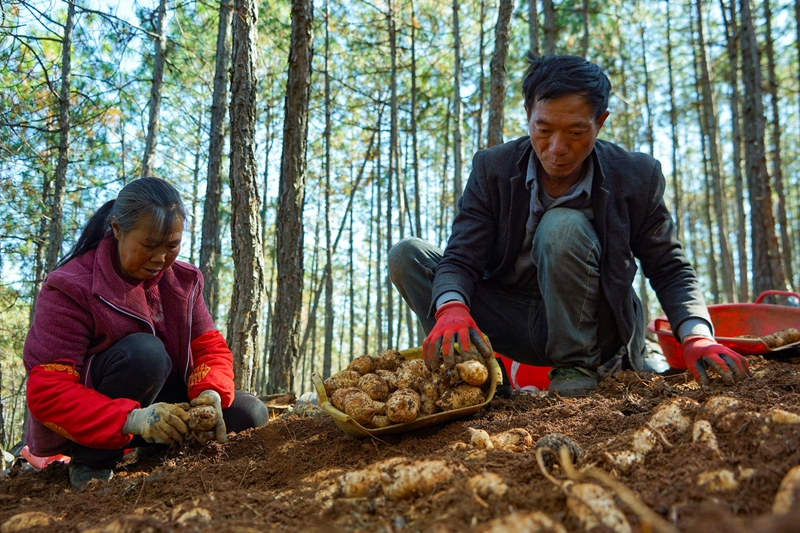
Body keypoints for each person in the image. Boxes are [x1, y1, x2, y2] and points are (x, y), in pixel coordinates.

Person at [389, 54, 749, 397]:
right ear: (528, 114)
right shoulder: (492, 169)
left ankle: (576, 367)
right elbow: (461, 259)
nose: (557, 148)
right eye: (543, 129)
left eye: (576, 133)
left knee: (561, 225)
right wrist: (451, 309)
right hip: (512, 316)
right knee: (408, 256)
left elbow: (669, 268)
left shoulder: (635, 176)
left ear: (601, 122)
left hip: (596, 325)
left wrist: (696, 335)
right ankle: (479, 374)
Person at [24, 177, 269, 489]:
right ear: (117, 230)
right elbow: (49, 391)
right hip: (99, 416)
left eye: (171, 247)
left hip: (162, 408)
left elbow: (209, 348)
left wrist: (209, 396)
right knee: (146, 354)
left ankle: (157, 452)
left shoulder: (184, 281)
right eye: (149, 245)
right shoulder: (70, 286)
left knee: (250, 413)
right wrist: (134, 419)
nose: (160, 259)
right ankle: (93, 460)